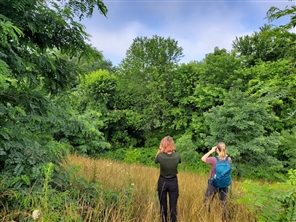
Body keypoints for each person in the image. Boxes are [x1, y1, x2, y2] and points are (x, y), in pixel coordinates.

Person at [201, 142, 232, 222]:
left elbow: (203, 158)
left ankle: (206, 218)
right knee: (223, 204)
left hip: (213, 184)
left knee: (207, 202)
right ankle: (224, 220)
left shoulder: (214, 160)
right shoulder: (229, 159)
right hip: (224, 185)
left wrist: (211, 151)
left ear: (217, 150)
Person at [155, 136, 181, 222]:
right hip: (173, 182)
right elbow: (178, 160)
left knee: (163, 205)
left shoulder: (160, 156)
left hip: (162, 181)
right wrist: (172, 150)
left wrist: (160, 149)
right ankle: (173, 220)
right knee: (173, 205)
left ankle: (163, 220)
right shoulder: (177, 155)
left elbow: (156, 160)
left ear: (163, 145)